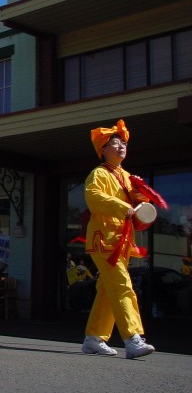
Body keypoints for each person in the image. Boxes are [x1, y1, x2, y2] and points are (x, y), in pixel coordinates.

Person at [81, 119, 155, 359]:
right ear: (102, 149)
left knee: (107, 289)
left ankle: (94, 338)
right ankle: (132, 338)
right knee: (122, 285)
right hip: (104, 240)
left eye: (123, 143)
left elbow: (139, 203)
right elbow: (94, 198)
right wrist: (124, 207)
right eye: (115, 143)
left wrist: (141, 194)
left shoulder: (126, 176)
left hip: (121, 241)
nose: (121, 146)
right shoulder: (99, 174)